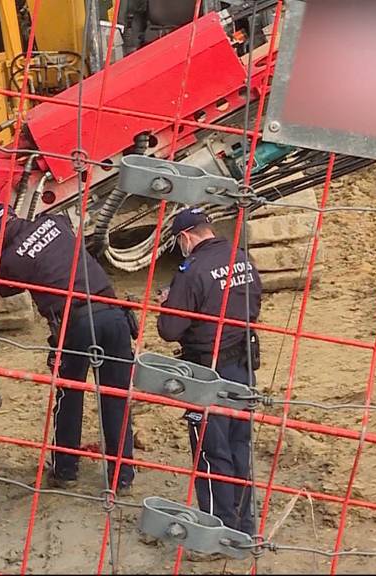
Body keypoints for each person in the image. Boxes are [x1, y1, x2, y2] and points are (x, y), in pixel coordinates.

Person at [0, 203, 136, 493]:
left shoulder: (12, 259)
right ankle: (122, 476)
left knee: (69, 394)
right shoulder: (54, 221)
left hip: (75, 323)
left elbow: (3, 288)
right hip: (113, 313)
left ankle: (66, 470)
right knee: (115, 397)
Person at [157, 206, 262, 541]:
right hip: (243, 365)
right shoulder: (241, 257)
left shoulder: (193, 270)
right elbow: (254, 301)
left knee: (210, 450)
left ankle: (220, 532)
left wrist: (168, 302)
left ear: (186, 237)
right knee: (239, 447)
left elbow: (170, 329)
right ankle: (245, 526)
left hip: (207, 370)